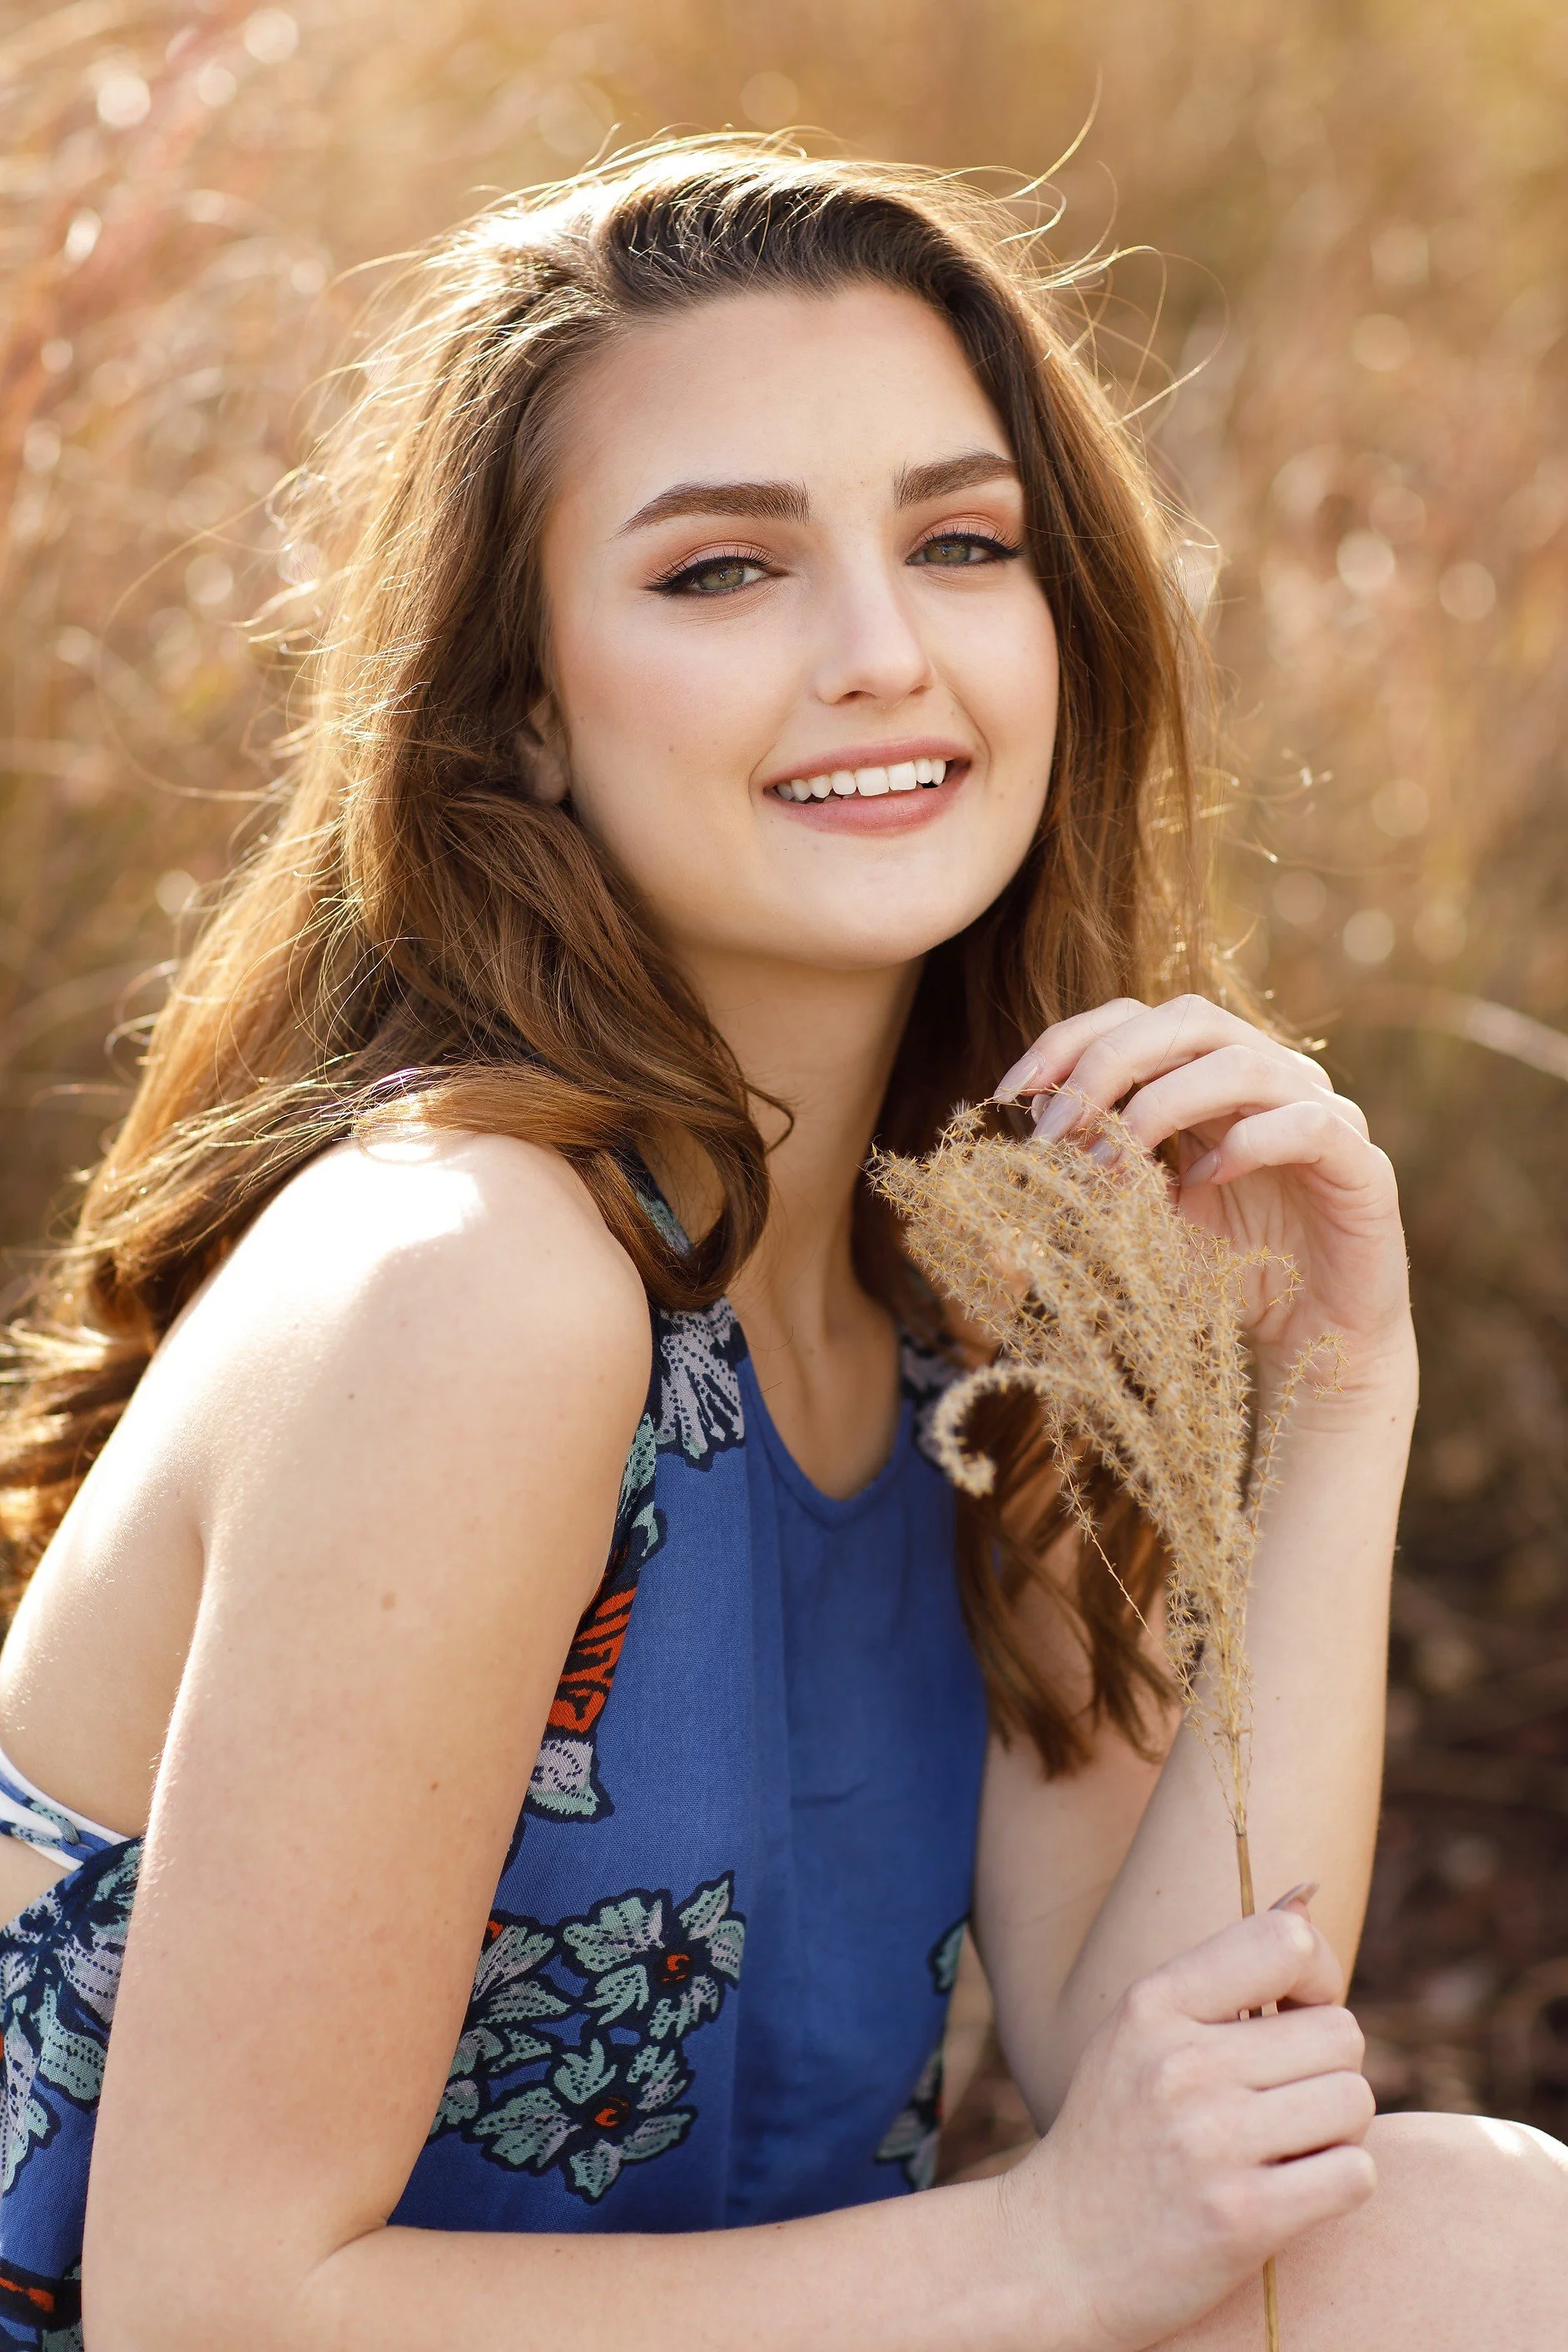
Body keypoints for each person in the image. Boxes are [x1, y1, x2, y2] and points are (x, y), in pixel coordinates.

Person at [0, 141, 1561, 2352]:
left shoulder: (975, 1291)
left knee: (1456, 2233)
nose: (879, 650)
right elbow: (211, 2303)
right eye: (723, 570)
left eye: (957, 541)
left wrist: (1329, 1397)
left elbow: (1192, 2073)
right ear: (521, 706)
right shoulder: (475, 1282)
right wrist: (1031, 2255)